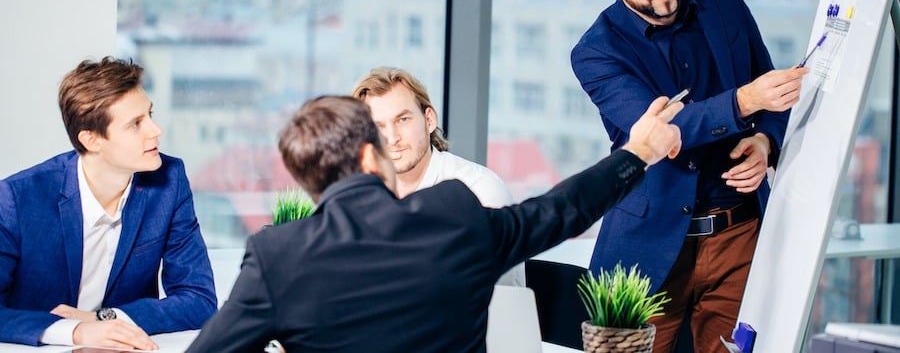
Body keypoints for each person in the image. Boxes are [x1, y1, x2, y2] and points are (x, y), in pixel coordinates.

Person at [186, 94, 683, 353]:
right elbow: (562, 209)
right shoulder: (454, 216)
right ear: (368, 155)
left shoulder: (276, 254)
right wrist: (639, 151)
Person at [571, 0, 808, 352]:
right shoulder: (595, 54)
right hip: (647, 244)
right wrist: (745, 101)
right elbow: (662, 134)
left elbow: (776, 103)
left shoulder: (726, 6)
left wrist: (765, 141)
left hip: (740, 235)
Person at [0, 57, 216, 349]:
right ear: (91, 140)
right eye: (135, 124)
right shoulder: (16, 198)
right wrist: (73, 331)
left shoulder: (168, 182)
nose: (155, 130)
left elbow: (200, 300)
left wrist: (104, 318)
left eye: (149, 114)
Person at [351, 67, 524, 285]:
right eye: (378, 126)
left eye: (403, 120)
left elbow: (499, 300)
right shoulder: (362, 200)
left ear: (429, 120)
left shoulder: (481, 191)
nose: (391, 138)